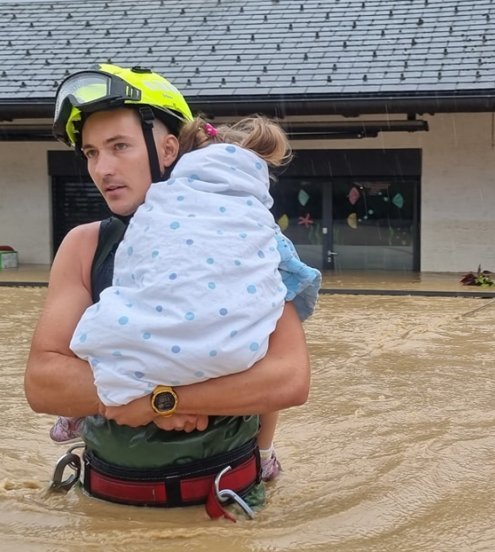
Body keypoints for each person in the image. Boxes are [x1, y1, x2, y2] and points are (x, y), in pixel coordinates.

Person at [25, 63, 310, 514]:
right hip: (105, 503)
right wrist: (161, 401)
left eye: (120, 147)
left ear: (169, 148)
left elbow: (289, 378)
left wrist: (164, 398)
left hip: (226, 505)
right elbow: (43, 384)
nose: (103, 168)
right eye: (91, 153)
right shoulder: (85, 245)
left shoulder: (246, 236)